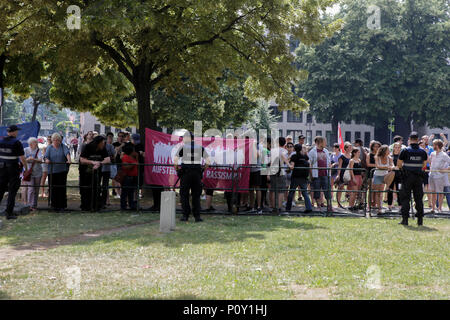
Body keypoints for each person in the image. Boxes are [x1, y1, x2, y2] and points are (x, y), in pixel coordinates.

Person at [174, 131, 210, 222]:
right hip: (196, 174)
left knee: (184, 195)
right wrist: (202, 170)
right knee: (196, 195)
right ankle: (197, 217)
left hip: (185, 174)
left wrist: (177, 170)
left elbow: (175, 161)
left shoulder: (182, 148)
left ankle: (185, 216)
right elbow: (208, 162)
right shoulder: (200, 148)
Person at [397, 132, 428, 226]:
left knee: (405, 198)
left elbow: (399, 164)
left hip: (407, 177)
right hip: (418, 177)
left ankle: (405, 220)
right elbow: (424, 164)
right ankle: (420, 220)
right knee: (418, 198)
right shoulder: (422, 151)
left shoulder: (405, 150)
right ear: (418, 139)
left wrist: (404, 169)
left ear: (410, 139)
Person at [0, 125, 28, 220]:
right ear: (14, 132)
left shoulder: (1, 141)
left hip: (2, 168)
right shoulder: (16, 142)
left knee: (0, 190)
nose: (17, 133)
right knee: (12, 190)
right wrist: (26, 168)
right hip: (13, 169)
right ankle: (9, 213)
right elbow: (22, 158)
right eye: (17, 131)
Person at [79, 135, 111, 211]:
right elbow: (82, 159)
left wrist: (100, 163)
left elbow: (108, 159)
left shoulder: (103, 148)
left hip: (96, 172)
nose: (104, 144)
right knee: (85, 189)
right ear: (98, 143)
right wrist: (92, 162)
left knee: (96, 188)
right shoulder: (87, 147)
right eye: (103, 143)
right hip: (85, 172)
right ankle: (85, 206)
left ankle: (95, 206)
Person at [44, 133, 71, 212]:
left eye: (58, 140)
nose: (56, 141)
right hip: (52, 172)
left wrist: (69, 160)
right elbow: (46, 157)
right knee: (53, 189)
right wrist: (47, 160)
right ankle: (54, 206)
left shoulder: (63, 146)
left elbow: (67, 154)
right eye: (54, 140)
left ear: (60, 140)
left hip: (62, 171)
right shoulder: (49, 148)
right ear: (52, 140)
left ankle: (62, 206)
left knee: (61, 189)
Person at [308, 136, 332, 214]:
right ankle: (318, 206)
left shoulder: (326, 151)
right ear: (320, 142)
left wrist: (330, 171)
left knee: (327, 190)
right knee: (317, 190)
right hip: (316, 175)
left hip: (326, 174)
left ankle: (329, 206)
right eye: (324, 141)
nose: (326, 143)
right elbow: (310, 164)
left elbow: (329, 162)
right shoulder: (312, 152)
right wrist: (311, 175)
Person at [268, 136, 291, 214]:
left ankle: (274, 208)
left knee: (274, 190)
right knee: (281, 191)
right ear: (284, 143)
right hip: (281, 172)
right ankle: (279, 208)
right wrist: (289, 164)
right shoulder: (284, 151)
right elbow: (284, 158)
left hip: (273, 171)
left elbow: (270, 162)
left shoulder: (272, 150)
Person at [286, 144, 312, 213]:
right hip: (304, 177)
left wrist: (288, 166)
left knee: (291, 192)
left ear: (294, 149)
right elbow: (309, 164)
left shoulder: (294, 156)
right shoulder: (305, 156)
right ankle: (309, 208)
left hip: (295, 177)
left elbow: (292, 166)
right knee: (305, 193)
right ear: (301, 149)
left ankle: (288, 208)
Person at [372, 145, 395, 214]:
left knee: (393, 173)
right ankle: (379, 208)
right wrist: (387, 167)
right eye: (388, 150)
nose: (389, 151)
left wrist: (390, 167)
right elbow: (378, 166)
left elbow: (393, 166)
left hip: (385, 176)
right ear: (384, 151)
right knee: (378, 193)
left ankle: (387, 187)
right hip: (377, 175)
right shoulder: (377, 157)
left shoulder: (390, 158)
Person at [428, 139, 450, 213]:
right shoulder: (432, 153)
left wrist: (445, 169)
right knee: (433, 192)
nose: (433, 146)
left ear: (437, 146)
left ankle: (439, 208)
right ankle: (433, 208)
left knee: (440, 193)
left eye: (434, 144)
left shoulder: (444, 155)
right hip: (432, 175)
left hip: (440, 176)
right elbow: (430, 162)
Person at [24, 137, 43, 211]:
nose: (33, 145)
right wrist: (27, 160)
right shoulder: (26, 150)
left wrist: (33, 159)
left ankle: (34, 205)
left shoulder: (38, 151)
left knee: (36, 189)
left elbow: (40, 160)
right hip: (29, 172)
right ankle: (29, 205)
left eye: (35, 143)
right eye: (32, 143)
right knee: (31, 189)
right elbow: (23, 159)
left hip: (38, 172)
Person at [120, 143, 138, 210]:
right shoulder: (125, 157)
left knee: (131, 192)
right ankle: (123, 206)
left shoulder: (132, 157)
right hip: (127, 177)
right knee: (125, 192)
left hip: (133, 177)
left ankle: (131, 205)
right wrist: (132, 165)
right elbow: (125, 167)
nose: (134, 151)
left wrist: (136, 157)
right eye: (133, 150)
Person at [387, 142, 402, 210]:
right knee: (390, 190)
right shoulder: (390, 156)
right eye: (396, 147)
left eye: (398, 147)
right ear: (393, 148)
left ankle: (400, 205)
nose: (397, 149)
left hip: (399, 175)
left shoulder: (402, 156)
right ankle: (389, 205)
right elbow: (389, 165)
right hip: (391, 175)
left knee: (399, 190)